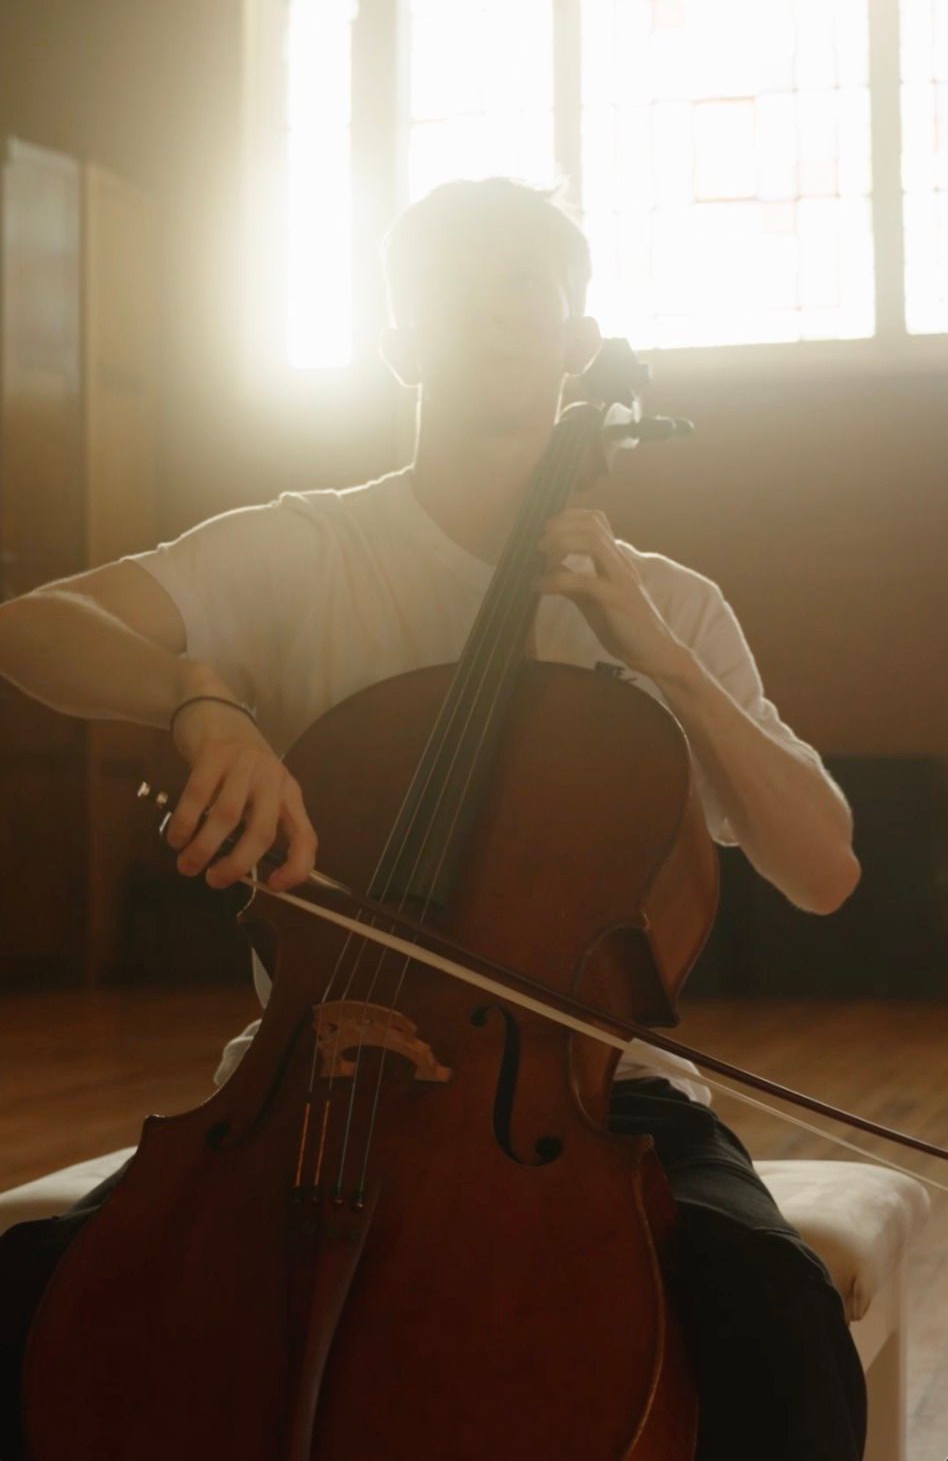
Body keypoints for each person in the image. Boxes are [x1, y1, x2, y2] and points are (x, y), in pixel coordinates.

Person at [0, 177, 865, 1459]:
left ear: (578, 341)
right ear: (400, 336)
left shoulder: (671, 600)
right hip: (306, 1080)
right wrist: (200, 700)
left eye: (528, 288)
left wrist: (663, 664)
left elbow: (824, 869)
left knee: (773, 1331)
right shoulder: (306, 546)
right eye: (453, 290)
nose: (493, 313)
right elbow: (35, 627)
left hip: (597, 1096)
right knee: (33, 1305)